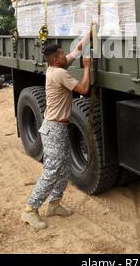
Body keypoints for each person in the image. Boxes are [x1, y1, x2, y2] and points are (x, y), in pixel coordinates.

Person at [21, 32, 91, 230]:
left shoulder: (54, 68)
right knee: (52, 169)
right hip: (53, 128)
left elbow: (76, 51)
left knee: (65, 166)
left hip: (58, 127)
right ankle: (30, 210)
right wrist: (87, 68)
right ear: (54, 59)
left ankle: (54, 204)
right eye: (61, 54)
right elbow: (84, 89)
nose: (64, 56)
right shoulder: (60, 73)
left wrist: (90, 31)